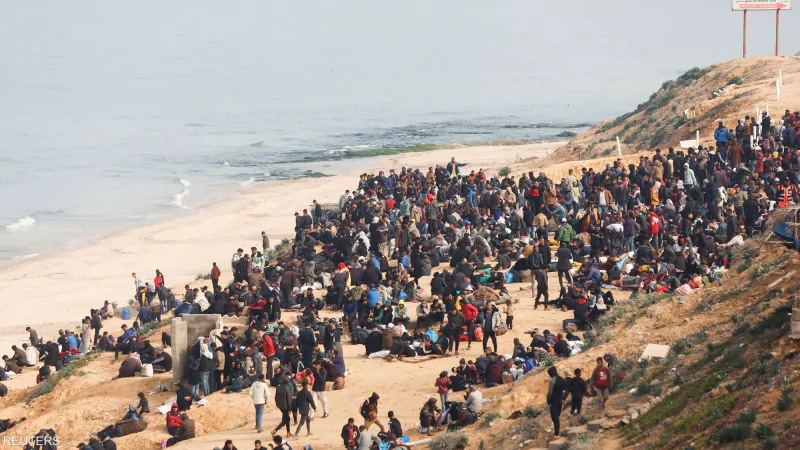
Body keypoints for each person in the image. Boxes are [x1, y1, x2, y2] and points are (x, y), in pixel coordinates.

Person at [546, 366, 568, 440]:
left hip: (553, 401)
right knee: (556, 416)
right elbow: (567, 388)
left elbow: (550, 393)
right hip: (559, 400)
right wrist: (564, 398)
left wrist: (548, 400)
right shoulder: (562, 379)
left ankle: (556, 434)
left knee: (554, 417)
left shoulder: (552, 381)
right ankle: (556, 432)